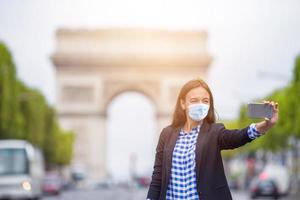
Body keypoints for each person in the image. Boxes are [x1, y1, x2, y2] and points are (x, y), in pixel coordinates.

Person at [146, 79, 279, 200]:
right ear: (182, 103)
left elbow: (238, 136)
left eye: (205, 101)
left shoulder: (215, 132)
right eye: (194, 100)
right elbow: (158, 176)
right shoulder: (167, 134)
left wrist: (265, 126)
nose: (200, 105)